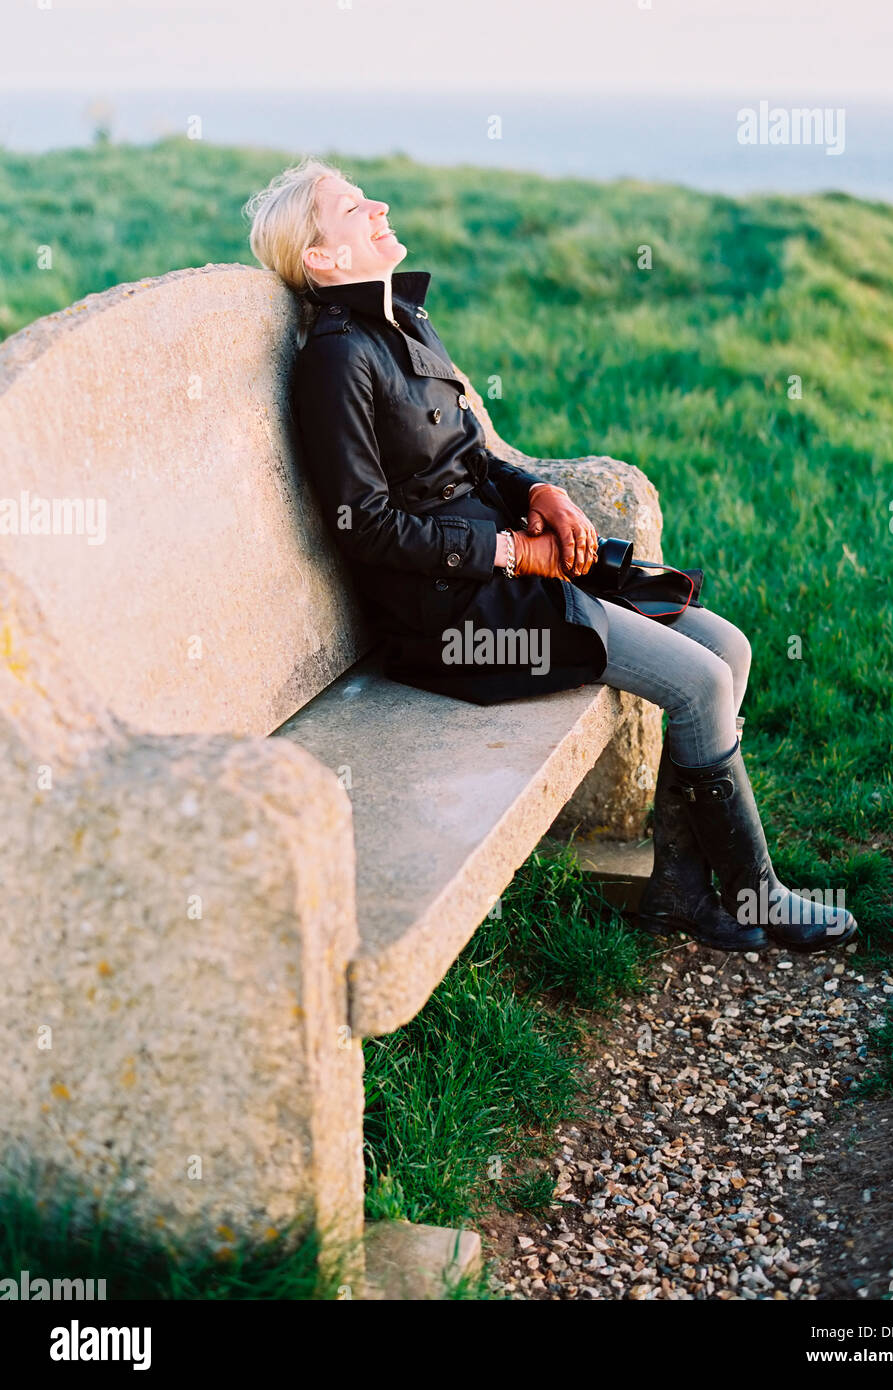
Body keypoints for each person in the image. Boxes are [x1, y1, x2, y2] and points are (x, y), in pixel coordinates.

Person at [245, 158, 857, 955]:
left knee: (727, 645)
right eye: (355, 207)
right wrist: (511, 552)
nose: (380, 207)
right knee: (700, 681)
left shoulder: (400, 323)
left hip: (505, 574)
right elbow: (361, 524)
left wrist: (541, 494)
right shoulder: (336, 358)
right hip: (453, 615)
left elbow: (470, 459)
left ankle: (678, 891)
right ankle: (753, 894)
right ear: (323, 260)